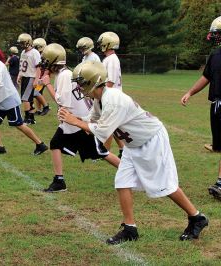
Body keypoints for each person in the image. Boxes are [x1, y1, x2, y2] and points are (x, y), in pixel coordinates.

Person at [58, 60, 209, 244]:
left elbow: (102, 131)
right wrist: (74, 118)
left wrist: (74, 121)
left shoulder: (112, 99)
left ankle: (196, 217)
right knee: (122, 182)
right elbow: (91, 120)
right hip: (133, 144)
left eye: (81, 83)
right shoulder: (101, 99)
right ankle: (130, 229)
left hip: (150, 140)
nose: (79, 88)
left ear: (92, 81)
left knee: (164, 185)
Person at [37, 44, 120, 192]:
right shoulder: (64, 74)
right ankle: (59, 181)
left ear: (52, 61)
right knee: (55, 144)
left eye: (46, 60)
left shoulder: (64, 76)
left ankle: (132, 172)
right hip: (73, 120)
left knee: (100, 152)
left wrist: (47, 84)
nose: (44, 63)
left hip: (77, 122)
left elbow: (61, 101)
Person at [0, 42, 48, 155]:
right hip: (1, 100)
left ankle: (40, 144)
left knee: (19, 124)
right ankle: (0, 147)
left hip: (9, 99)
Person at [181, 16, 221, 199]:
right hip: (217, 105)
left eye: (217, 34)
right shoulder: (215, 55)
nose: (215, 37)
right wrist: (190, 92)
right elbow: (206, 78)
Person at [97, 31, 125, 158]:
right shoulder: (109, 59)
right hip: (111, 96)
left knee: (108, 126)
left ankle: (104, 152)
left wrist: (101, 95)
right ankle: (123, 149)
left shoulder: (112, 59)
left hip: (112, 97)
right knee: (114, 126)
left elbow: (111, 81)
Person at [17, 33, 44, 124]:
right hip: (25, 76)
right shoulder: (23, 52)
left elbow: (38, 67)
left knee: (25, 99)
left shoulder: (35, 52)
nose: (21, 44)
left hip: (31, 77)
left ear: (28, 42)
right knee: (28, 99)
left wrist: (36, 79)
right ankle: (32, 119)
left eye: (23, 42)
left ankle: (27, 118)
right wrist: (19, 75)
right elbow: (22, 66)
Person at [32, 37, 50, 116]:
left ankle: (46, 107)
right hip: (39, 76)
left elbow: (47, 68)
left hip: (42, 77)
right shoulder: (39, 54)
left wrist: (43, 77)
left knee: (37, 93)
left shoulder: (46, 56)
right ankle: (39, 110)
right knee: (38, 93)